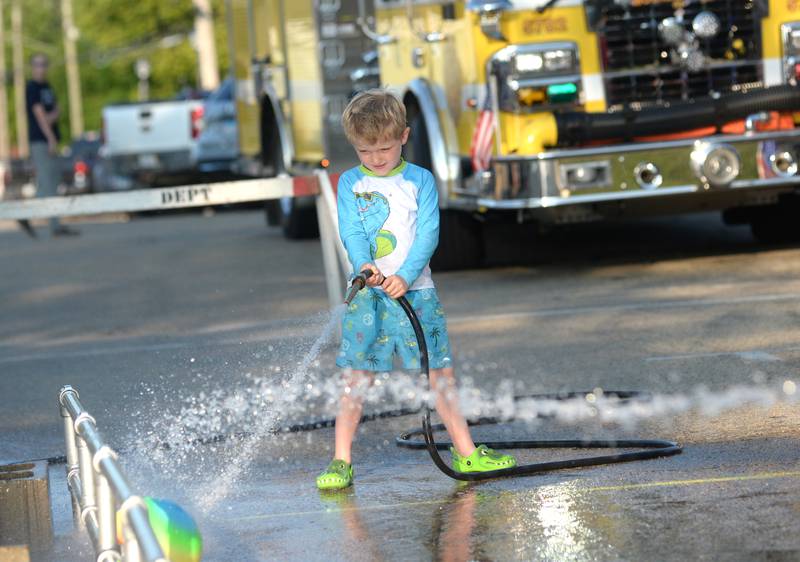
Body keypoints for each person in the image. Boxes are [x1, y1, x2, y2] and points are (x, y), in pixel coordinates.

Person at [316, 90, 516, 490]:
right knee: (356, 378)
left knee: (439, 374)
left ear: (404, 136)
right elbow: (351, 231)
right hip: (369, 296)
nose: (375, 158)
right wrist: (364, 266)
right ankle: (341, 461)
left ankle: (465, 450)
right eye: (364, 150)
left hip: (417, 293)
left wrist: (405, 276)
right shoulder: (350, 183)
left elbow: (428, 234)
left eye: (384, 148)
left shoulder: (419, 181)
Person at [26, 53, 78, 236]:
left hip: (49, 139)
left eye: (44, 64)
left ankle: (27, 214)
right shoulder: (32, 87)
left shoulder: (47, 87)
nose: (42, 67)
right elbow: (41, 116)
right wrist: (50, 138)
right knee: (48, 183)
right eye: (38, 64)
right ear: (32, 67)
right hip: (41, 141)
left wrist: (53, 117)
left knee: (51, 182)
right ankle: (52, 226)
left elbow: (57, 111)